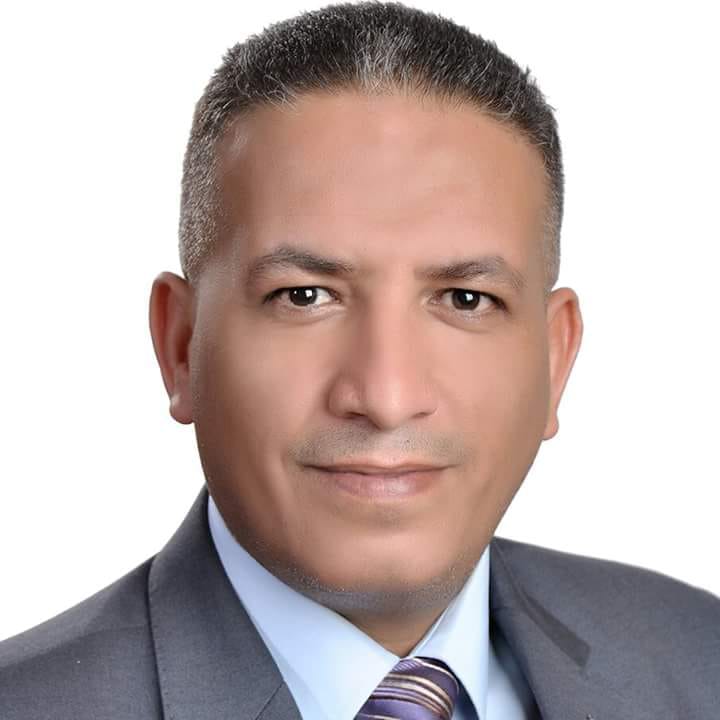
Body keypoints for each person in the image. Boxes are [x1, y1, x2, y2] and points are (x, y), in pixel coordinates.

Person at [1, 2, 718, 718]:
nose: (385, 395)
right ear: (180, 345)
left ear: (555, 360)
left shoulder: (700, 659)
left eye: (466, 299)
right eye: (304, 296)